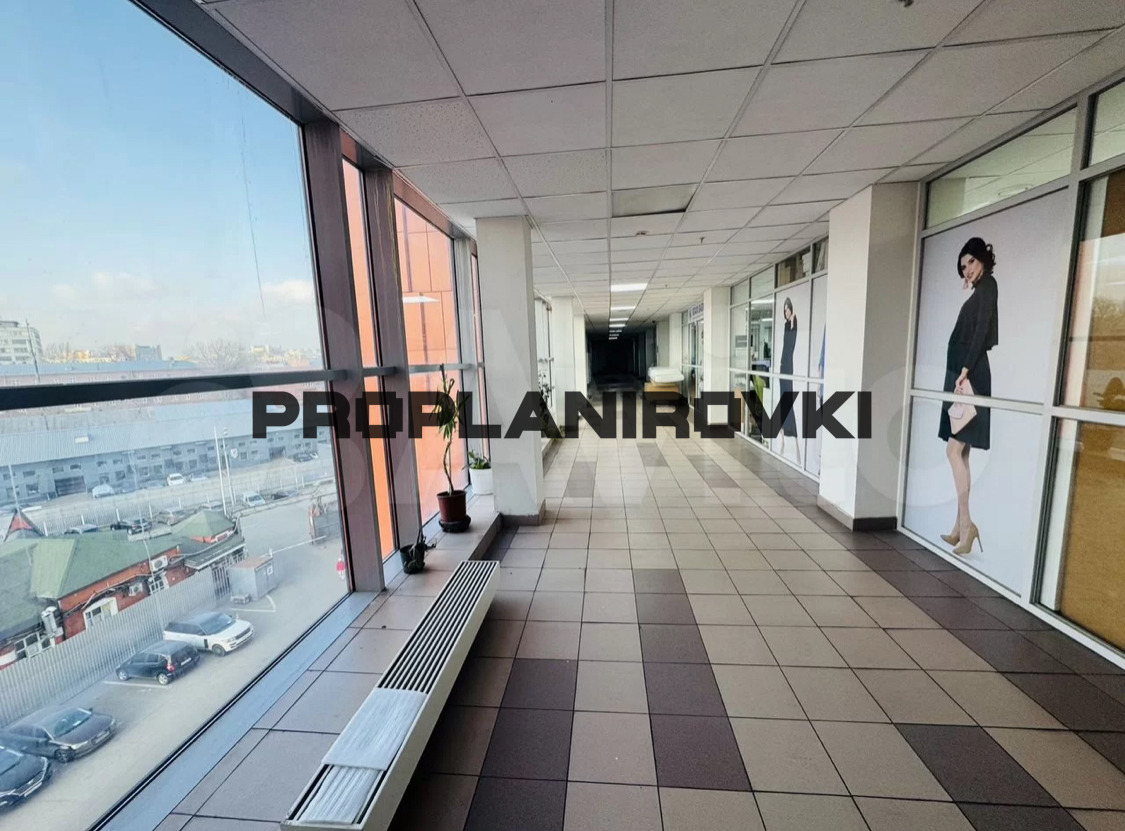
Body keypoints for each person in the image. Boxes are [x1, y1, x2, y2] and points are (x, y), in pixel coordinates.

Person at [939, 237, 999, 556]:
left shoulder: (988, 286)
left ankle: (966, 525)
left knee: (954, 450)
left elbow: (980, 332)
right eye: (963, 266)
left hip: (970, 375)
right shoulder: (980, 291)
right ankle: (959, 525)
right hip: (964, 374)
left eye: (971, 262)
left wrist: (964, 370)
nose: (967, 270)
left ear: (982, 259)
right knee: (961, 453)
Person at [778, 297, 801, 464]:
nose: (786, 312)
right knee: (784, 399)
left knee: (787, 400)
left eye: (788, 309)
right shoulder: (787, 324)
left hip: (788, 365)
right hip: (783, 365)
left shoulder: (793, 321)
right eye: (785, 310)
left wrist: (792, 318)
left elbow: (790, 345)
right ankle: (784, 436)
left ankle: (792, 437)